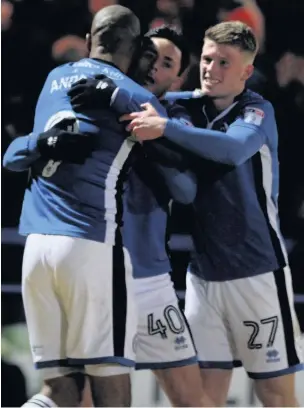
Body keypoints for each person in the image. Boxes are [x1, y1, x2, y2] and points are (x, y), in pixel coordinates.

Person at [4, 25, 213, 408]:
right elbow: (17, 151)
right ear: (131, 52)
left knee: (187, 398)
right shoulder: (89, 93)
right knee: (87, 393)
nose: (153, 67)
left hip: (145, 279)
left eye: (166, 63)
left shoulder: (171, 116)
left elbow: (186, 190)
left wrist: (144, 135)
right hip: (93, 258)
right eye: (148, 54)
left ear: (179, 76)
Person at [121, 21, 304, 407]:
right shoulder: (183, 106)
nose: (212, 69)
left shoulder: (257, 110)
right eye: (207, 59)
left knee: (275, 394)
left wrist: (165, 127)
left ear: (246, 72)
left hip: (257, 274)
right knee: (204, 395)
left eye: (224, 62)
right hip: (203, 276)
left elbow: (229, 151)